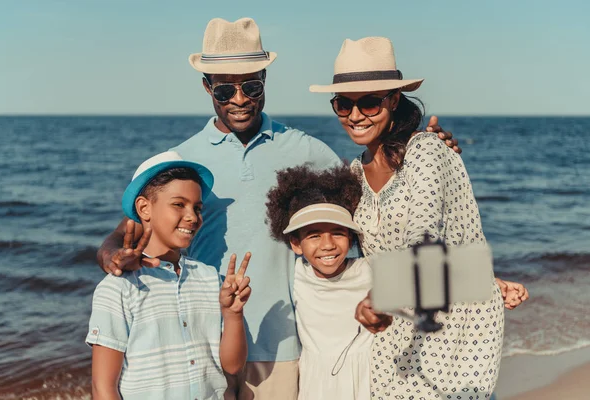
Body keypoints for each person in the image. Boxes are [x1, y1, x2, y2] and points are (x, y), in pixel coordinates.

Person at [96, 18, 461, 400]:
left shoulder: (308, 150)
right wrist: (110, 255)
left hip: (282, 346)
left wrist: (422, 150)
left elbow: (373, 200)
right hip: (199, 348)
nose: (239, 98)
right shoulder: (183, 161)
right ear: (207, 87)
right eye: (224, 90)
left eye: (251, 85)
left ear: (265, 79)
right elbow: (130, 231)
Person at [310, 37, 528, 399]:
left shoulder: (426, 150)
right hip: (393, 323)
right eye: (342, 104)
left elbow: (425, 235)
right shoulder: (353, 172)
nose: (355, 115)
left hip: (452, 323)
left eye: (369, 102)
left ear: (394, 100)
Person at [87, 151, 251, 399]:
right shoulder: (118, 288)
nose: (192, 217)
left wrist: (233, 315)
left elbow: (232, 366)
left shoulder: (209, 278)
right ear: (144, 208)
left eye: (197, 208)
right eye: (179, 204)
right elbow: (103, 388)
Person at [265, 164, 372, 399]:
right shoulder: (296, 275)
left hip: (369, 381)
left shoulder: (369, 272)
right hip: (316, 383)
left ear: (351, 237)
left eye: (338, 232)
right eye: (314, 235)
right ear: (295, 243)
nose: (327, 245)